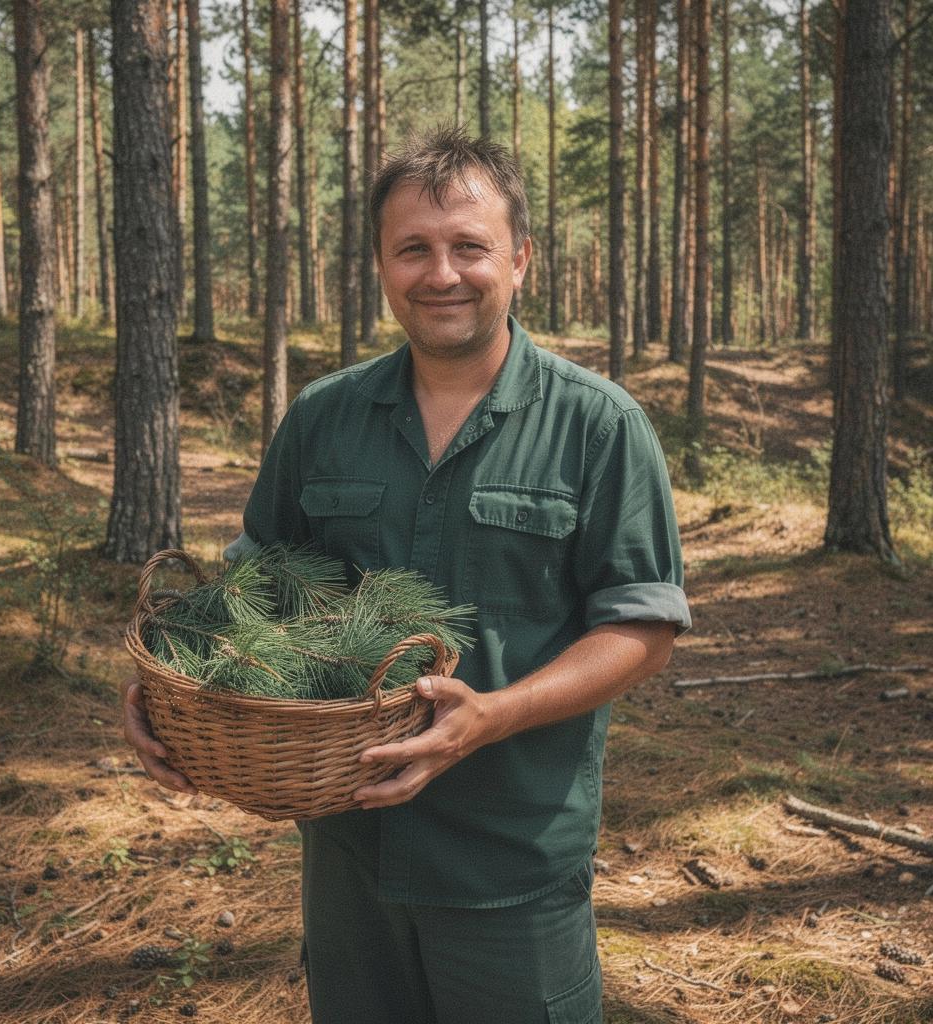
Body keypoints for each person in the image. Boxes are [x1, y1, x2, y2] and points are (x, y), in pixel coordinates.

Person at [122, 127, 691, 1024]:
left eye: (470, 246)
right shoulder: (323, 417)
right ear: (383, 266)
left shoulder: (599, 427)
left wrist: (491, 717)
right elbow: (252, 584)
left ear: (521, 261)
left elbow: (641, 627)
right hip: (349, 856)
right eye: (413, 249)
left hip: (511, 862)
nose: (443, 273)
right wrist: (169, 681)